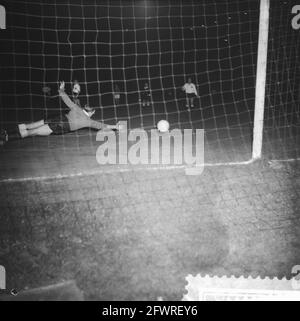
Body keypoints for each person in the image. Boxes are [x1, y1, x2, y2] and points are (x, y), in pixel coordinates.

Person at [0, 81, 122, 145]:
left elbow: (66, 99)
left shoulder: (76, 108)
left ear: (85, 108)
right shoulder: (89, 121)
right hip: (59, 125)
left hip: (56, 118)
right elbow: (103, 126)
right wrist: (115, 126)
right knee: (33, 132)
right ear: (92, 112)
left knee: (30, 126)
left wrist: (61, 89)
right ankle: (6, 137)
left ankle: (6, 131)